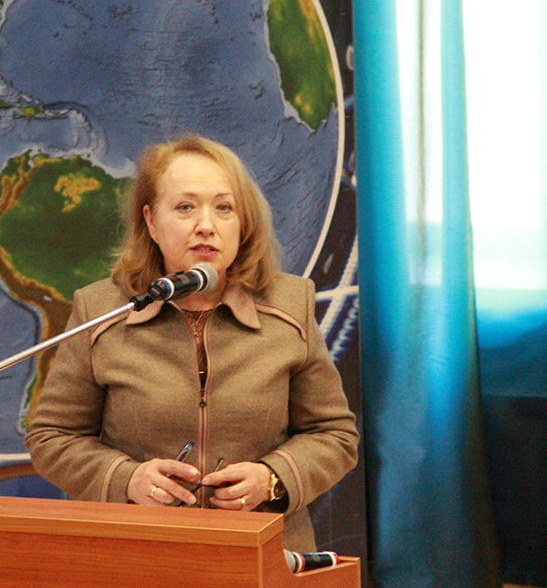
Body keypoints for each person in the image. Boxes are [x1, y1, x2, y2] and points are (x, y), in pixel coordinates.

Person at [25, 135, 358, 552]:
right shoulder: (101, 310)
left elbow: (334, 435)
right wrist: (126, 479)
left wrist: (273, 478)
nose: (206, 225)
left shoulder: (290, 305)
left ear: (243, 222)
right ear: (151, 222)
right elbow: (53, 437)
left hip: (261, 553)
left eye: (224, 208)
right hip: (136, 553)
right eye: (185, 207)